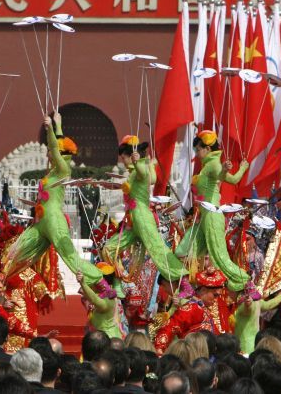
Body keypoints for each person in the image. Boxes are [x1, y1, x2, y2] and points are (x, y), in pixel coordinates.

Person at [3, 113, 103, 285]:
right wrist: (58, 125)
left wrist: (49, 129)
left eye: (51, 149)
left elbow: (56, 147)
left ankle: (100, 281)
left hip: (54, 221)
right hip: (41, 223)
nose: (48, 151)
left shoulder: (63, 169)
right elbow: (58, 146)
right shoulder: (53, 172)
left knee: (70, 256)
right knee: (16, 252)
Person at [101, 135, 186, 282]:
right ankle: (118, 285)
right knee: (108, 249)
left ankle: (182, 279)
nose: (123, 161)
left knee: (157, 250)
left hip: (142, 217)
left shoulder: (140, 171)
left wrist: (138, 162)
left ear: (132, 156)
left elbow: (145, 175)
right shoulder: (134, 174)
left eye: (124, 158)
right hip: (133, 221)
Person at [174, 131, 250, 291]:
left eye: (198, 150)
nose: (197, 154)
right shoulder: (207, 166)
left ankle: (246, 283)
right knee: (183, 250)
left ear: (207, 149)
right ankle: (189, 286)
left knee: (219, 257)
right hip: (203, 217)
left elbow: (229, 178)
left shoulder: (214, 165)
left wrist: (239, 168)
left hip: (212, 216)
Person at [153, 268, 218, 354]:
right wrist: (159, 347)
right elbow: (170, 326)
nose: (216, 299)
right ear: (203, 290)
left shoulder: (201, 307)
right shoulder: (193, 308)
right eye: (215, 295)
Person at [234, 283, 281, 354]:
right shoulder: (251, 304)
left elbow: (267, 305)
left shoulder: (253, 303)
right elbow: (267, 305)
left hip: (249, 342)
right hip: (250, 342)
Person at [76, 262, 124, 339]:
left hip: (107, 337)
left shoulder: (110, 296)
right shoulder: (111, 293)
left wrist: (84, 283)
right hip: (101, 333)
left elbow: (94, 300)